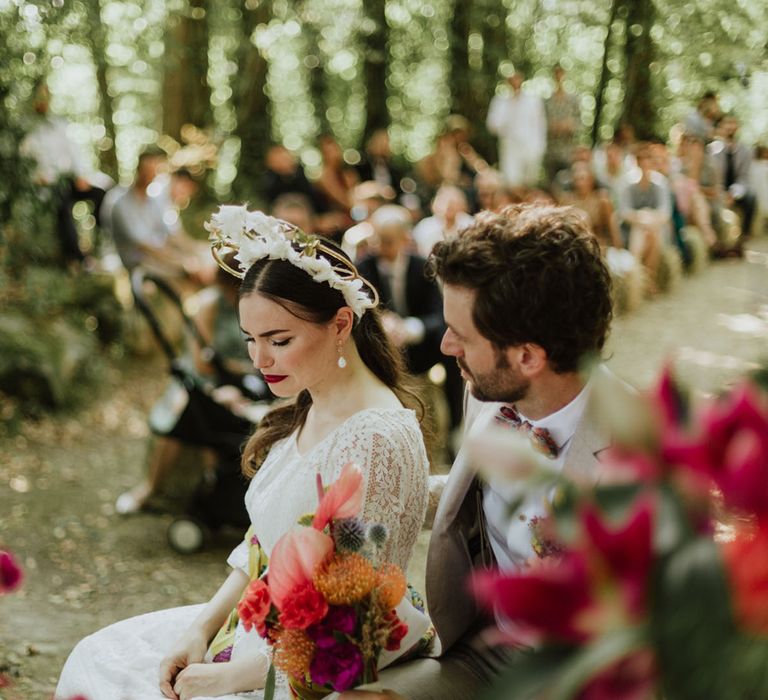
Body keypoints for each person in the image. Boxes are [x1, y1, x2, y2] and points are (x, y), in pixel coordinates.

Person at [56, 212, 431, 700]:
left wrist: (231, 677)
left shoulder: (375, 439)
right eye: (251, 339)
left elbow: (355, 623)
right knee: (94, 656)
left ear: (341, 323)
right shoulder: (310, 400)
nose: (260, 360)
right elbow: (263, 545)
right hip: (255, 631)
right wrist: (201, 629)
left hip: (309, 668)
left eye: (279, 341)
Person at [337, 203, 627, 700]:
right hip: (481, 655)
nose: (446, 346)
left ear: (528, 356)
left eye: (462, 335)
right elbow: (470, 494)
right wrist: (359, 503)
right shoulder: (487, 393)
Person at [114, 254, 257, 516]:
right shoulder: (209, 304)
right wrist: (238, 370)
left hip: (244, 379)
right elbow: (201, 363)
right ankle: (151, 487)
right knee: (188, 409)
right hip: (205, 377)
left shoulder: (253, 305)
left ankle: (217, 487)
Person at [356, 206, 463, 445]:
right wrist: (381, 322)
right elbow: (358, 308)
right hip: (383, 344)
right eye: (378, 240)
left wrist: (412, 328)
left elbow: (438, 313)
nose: (382, 247)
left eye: (389, 241)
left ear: (405, 239)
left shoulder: (420, 266)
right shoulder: (364, 266)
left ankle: (456, 426)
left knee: (453, 349)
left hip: (419, 343)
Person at [20, 80, 108, 267]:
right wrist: (37, 178)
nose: (44, 101)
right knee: (62, 206)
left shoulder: (58, 124)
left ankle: (103, 246)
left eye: (47, 96)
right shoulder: (27, 128)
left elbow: (73, 151)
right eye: (40, 96)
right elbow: (24, 162)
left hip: (68, 179)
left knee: (102, 192)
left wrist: (81, 175)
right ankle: (77, 258)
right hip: (46, 186)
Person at [486, 71, 546, 188]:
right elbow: (492, 125)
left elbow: (541, 125)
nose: (515, 83)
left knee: (530, 183)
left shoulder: (533, 101)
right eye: (512, 80)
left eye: (517, 79)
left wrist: (540, 147)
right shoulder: (499, 102)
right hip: (510, 149)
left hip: (531, 148)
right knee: (512, 182)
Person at [708, 115, 757, 247]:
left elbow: (744, 177)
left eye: (733, 123)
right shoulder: (712, 150)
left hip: (737, 190)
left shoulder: (746, 151)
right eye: (727, 123)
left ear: (737, 127)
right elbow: (712, 177)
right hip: (717, 190)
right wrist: (721, 193)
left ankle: (744, 235)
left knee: (751, 197)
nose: (730, 127)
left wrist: (733, 194)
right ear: (721, 127)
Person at [411, 185, 474, 258]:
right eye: (444, 201)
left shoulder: (470, 224)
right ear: (435, 203)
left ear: (462, 205)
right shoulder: (425, 226)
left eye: (453, 203)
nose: (448, 206)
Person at [544, 64, 581, 183]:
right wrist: (553, 126)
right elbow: (541, 124)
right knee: (552, 184)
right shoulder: (547, 101)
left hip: (568, 152)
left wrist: (569, 126)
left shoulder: (573, 100)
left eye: (560, 73)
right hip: (551, 152)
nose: (558, 76)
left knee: (567, 183)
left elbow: (579, 123)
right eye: (556, 73)